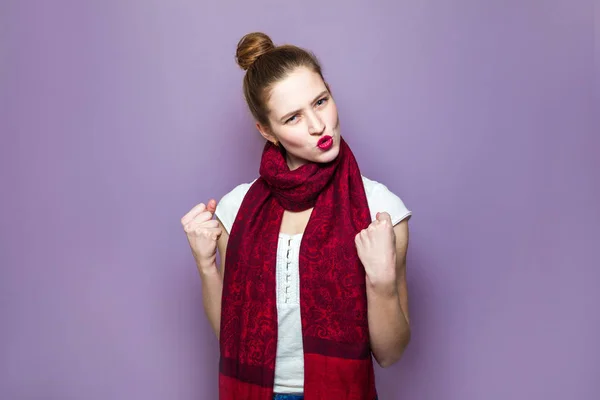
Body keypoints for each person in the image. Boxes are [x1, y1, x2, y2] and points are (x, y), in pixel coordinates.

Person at [181, 32, 412, 400]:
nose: (318, 125)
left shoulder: (379, 209)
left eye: (321, 101)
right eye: (293, 118)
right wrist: (207, 266)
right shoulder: (235, 211)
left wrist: (381, 281)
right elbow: (230, 339)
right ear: (267, 131)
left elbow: (391, 352)